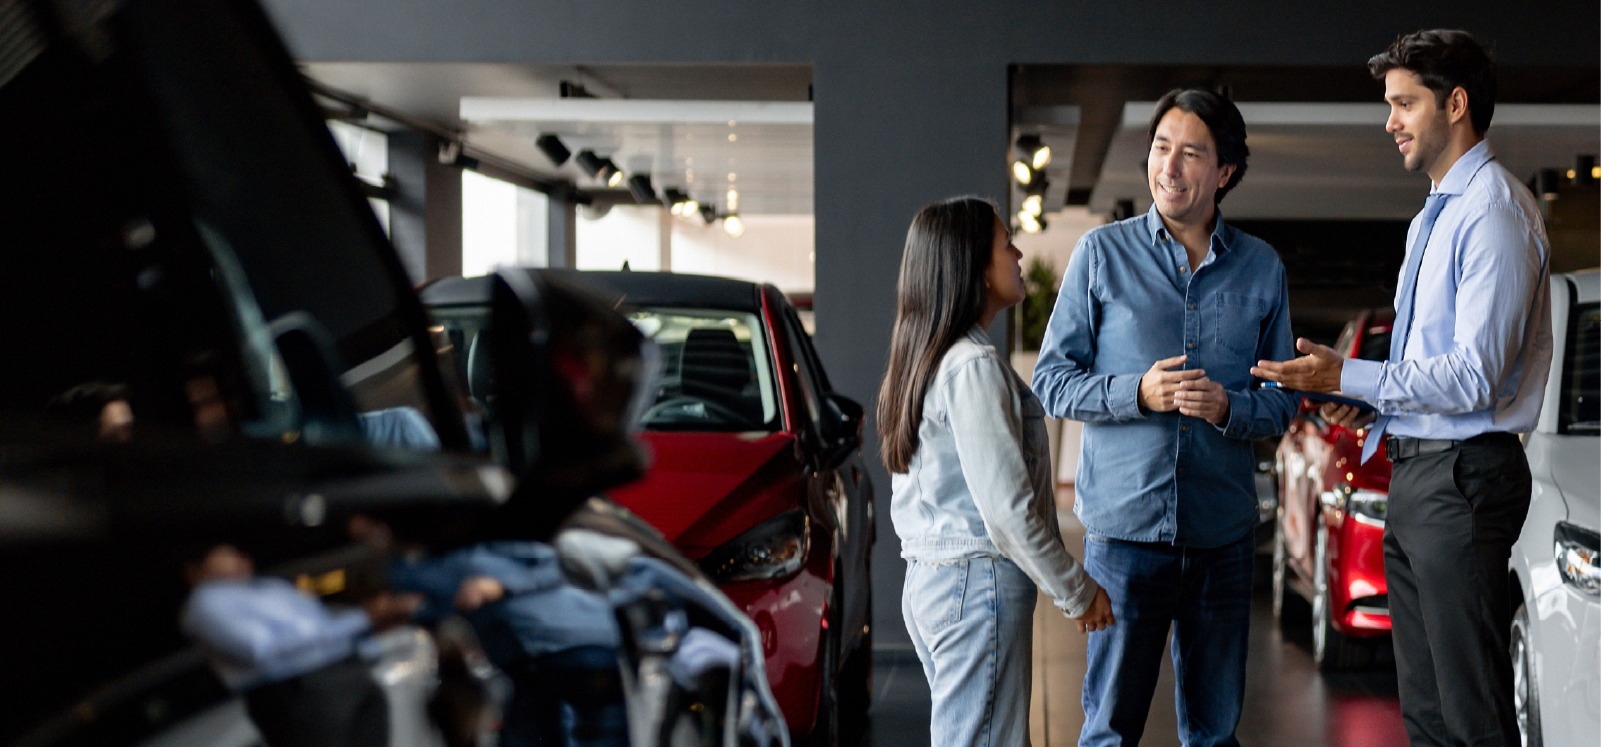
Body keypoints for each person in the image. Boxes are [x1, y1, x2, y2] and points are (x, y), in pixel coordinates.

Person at [1252, 29, 1551, 747]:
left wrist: (1349, 372)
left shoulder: (1493, 215)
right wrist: (1351, 394)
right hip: (1419, 473)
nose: (1388, 121)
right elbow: (1430, 368)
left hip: (1463, 475)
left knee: (1471, 712)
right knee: (1425, 714)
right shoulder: (1433, 215)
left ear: (1454, 103)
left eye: (1403, 103)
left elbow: (1474, 375)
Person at [1032, 89, 1298, 747]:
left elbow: (1285, 402)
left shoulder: (1261, 268)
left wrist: (1230, 407)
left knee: (1213, 733)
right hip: (1122, 538)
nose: (1169, 168)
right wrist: (1136, 394)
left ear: (1223, 173)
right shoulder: (1100, 255)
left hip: (1222, 538)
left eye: (1190, 153)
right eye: (1159, 148)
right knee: (1107, 732)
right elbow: (1050, 382)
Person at [877, 196, 1114, 747]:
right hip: (973, 587)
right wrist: (1076, 590)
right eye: (1006, 245)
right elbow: (1008, 513)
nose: (1019, 253)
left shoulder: (926, 358)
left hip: (935, 584)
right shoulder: (973, 366)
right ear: (974, 269)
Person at [180, 545, 417, 747]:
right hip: (301, 691)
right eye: (226, 554)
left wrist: (363, 645)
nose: (240, 559)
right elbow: (263, 649)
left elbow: (320, 622)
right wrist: (362, 618)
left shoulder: (270, 586)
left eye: (239, 553)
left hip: (344, 674)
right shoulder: (208, 600)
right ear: (198, 568)